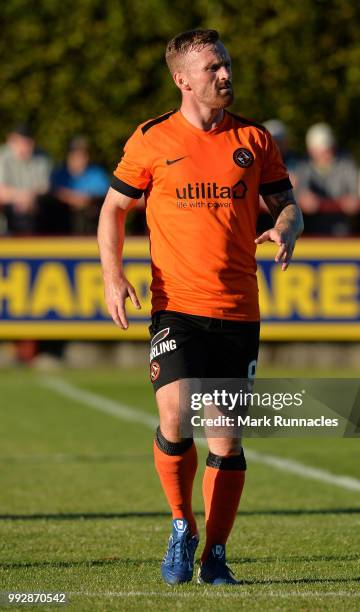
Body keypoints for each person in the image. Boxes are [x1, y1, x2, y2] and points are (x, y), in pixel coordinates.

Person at [98, 28, 303, 586]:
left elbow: (289, 205)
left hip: (238, 307)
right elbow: (114, 209)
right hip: (176, 306)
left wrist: (287, 226)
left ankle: (215, 553)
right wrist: (113, 276)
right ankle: (181, 524)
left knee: (227, 437)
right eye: (213, 67)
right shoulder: (151, 139)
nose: (225, 74)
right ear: (182, 78)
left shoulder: (255, 140)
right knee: (174, 416)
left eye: (227, 64)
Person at [294, 123, 360, 235]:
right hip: (309, 231)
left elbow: (355, 196)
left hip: (341, 230)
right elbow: (300, 195)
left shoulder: (346, 163)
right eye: (321, 150)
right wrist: (303, 197)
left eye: (328, 149)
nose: (326, 154)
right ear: (311, 150)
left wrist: (352, 200)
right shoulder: (303, 165)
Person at [39, 136, 110, 235]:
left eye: (82, 155)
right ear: (68, 156)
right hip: (62, 221)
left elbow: (104, 193)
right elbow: (53, 191)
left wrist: (83, 199)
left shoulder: (96, 173)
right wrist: (71, 198)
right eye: (75, 155)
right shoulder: (59, 173)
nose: (79, 159)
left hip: (91, 221)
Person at [0, 124, 51, 234]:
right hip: (8, 208)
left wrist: (29, 198)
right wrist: (21, 197)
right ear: (12, 141)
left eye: (29, 143)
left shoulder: (42, 157)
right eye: (22, 142)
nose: (26, 147)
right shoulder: (2, 157)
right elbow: (1, 192)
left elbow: (45, 188)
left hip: (34, 205)